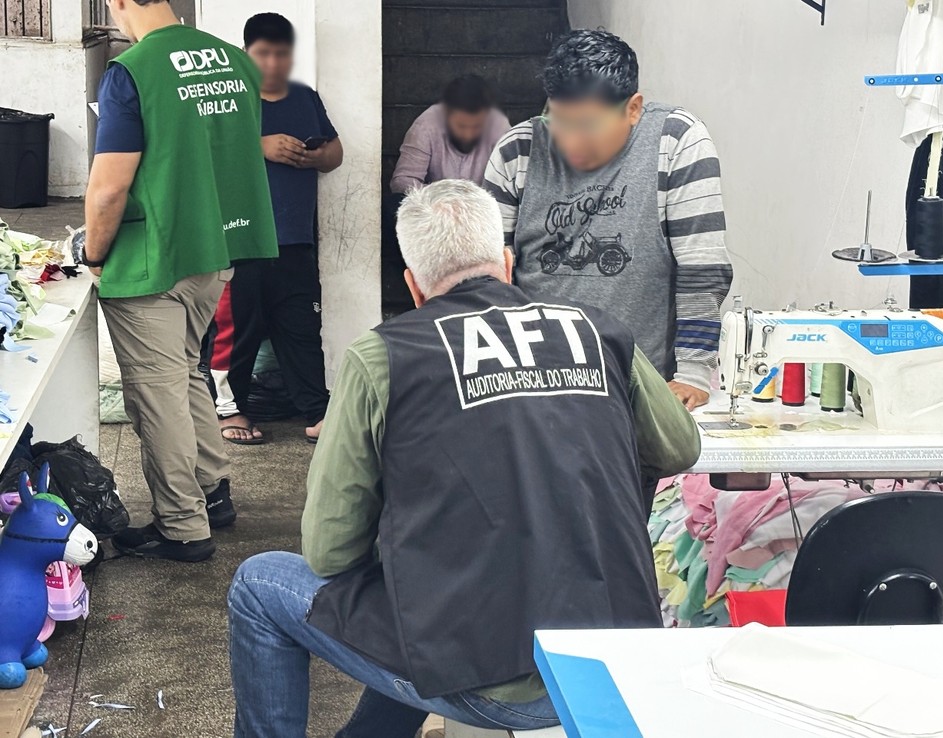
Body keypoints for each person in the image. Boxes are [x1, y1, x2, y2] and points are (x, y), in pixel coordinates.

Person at [228, 180, 701, 738]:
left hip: (491, 680)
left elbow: (330, 551)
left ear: (414, 286)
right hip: (611, 662)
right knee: (411, 589)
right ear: (507, 262)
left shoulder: (383, 356)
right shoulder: (596, 329)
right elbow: (680, 448)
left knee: (259, 584)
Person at [83, 0, 278, 562]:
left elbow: (109, 188)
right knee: (187, 369)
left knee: (156, 393)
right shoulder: (235, 61)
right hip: (214, 249)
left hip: (155, 259)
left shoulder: (132, 71)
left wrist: (92, 253)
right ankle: (213, 491)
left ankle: (181, 526)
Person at [484, 29, 734, 411]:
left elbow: (702, 267)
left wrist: (693, 373)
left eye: (587, 127)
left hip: (639, 388)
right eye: (558, 122)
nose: (570, 142)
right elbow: (489, 275)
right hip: (535, 386)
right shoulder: (518, 150)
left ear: (633, 108)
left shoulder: (675, 141)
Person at [209, 12, 342, 446]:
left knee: (302, 328)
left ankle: (317, 412)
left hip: (295, 239)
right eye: (263, 53)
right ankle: (228, 410)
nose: (272, 62)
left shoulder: (305, 98)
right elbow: (205, 154)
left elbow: (335, 151)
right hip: (240, 239)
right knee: (236, 331)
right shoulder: (228, 99)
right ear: (245, 53)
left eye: (281, 54)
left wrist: (317, 157)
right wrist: (259, 145)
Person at [390, 75, 511, 193]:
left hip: (484, 204)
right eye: (461, 126)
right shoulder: (426, 126)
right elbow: (402, 182)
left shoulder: (499, 127)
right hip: (434, 204)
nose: (468, 134)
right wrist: (447, 196)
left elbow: (510, 185)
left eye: (476, 126)